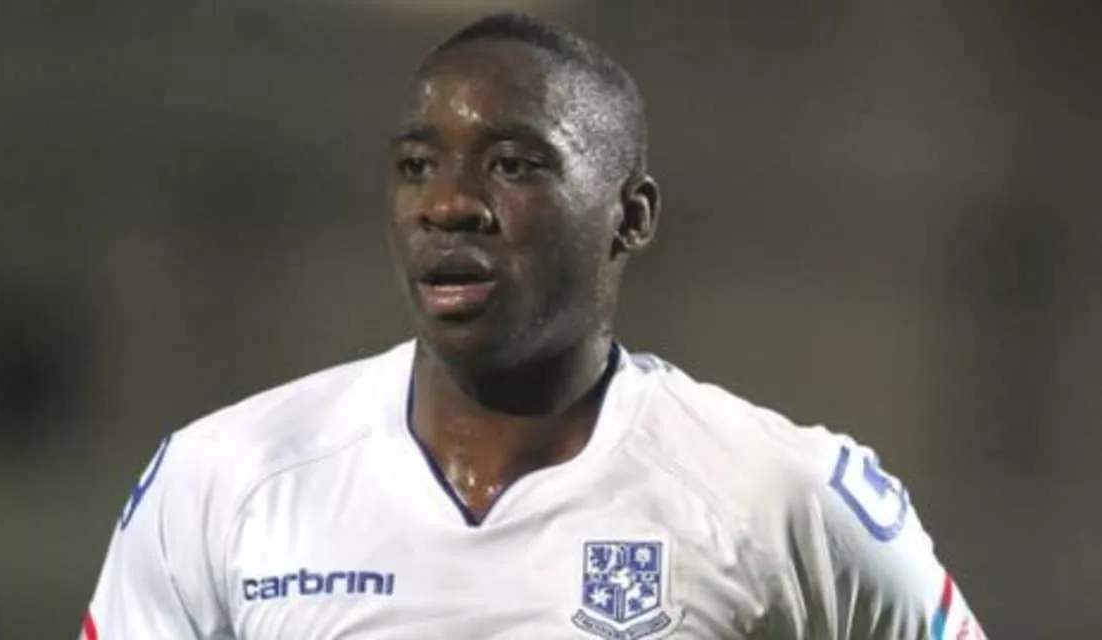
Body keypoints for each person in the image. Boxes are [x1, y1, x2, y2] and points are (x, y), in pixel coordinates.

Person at [80, 12, 985, 640]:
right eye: (416, 166)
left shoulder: (779, 495)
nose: (449, 204)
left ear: (630, 216)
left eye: (513, 165)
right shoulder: (226, 476)